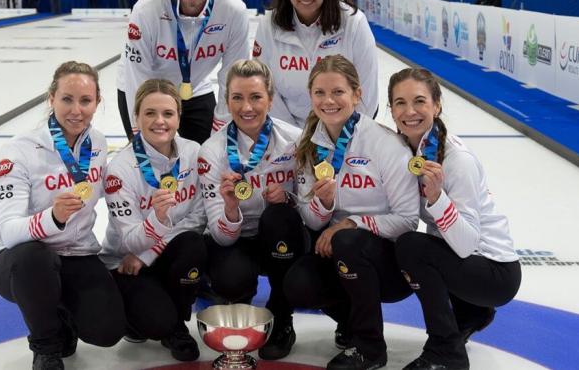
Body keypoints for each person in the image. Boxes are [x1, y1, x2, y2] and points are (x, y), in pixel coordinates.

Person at [0, 61, 127, 370]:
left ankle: (58, 311)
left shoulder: (99, 144)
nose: (76, 110)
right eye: (67, 99)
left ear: (97, 102)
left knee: (108, 331)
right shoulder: (19, 149)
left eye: (85, 101)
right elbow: (8, 231)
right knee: (34, 259)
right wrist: (54, 217)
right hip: (23, 260)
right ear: (51, 98)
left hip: (77, 254)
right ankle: (45, 347)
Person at [283, 55, 419, 370]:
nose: (328, 101)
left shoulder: (384, 143)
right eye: (319, 93)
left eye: (338, 92)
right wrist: (324, 204)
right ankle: (351, 323)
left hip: (389, 262)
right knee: (297, 284)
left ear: (357, 95)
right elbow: (314, 220)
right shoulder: (310, 145)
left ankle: (370, 347)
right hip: (339, 251)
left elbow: (407, 220)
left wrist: (350, 223)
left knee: (347, 240)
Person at [388, 68, 521, 370]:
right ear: (390, 109)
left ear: (436, 105)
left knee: (412, 247)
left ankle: (446, 351)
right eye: (400, 103)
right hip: (466, 264)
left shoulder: (457, 160)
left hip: (494, 270)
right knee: (408, 244)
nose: (410, 111)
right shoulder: (403, 151)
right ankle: (470, 313)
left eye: (419, 101)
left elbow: (465, 244)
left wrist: (437, 199)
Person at [198, 59, 305, 361]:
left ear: (271, 99)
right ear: (226, 100)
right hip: (237, 240)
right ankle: (238, 303)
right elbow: (221, 238)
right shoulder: (212, 151)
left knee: (281, 217)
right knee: (231, 278)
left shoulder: (295, 142)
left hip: (280, 237)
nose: (247, 107)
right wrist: (231, 208)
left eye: (256, 97)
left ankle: (282, 317)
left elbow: (310, 208)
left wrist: (289, 200)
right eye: (237, 97)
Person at [100, 79, 207, 362]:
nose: (160, 121)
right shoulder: (120, 169)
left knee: (194, 244)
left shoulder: (193, 152)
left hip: (154, 255)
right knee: (153, 323)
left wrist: (153, 250)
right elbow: (131, 240)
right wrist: (157, 220)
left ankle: (177, 324)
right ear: (136, 117)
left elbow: (199, 216)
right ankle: (143, 317)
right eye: (150, 113)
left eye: (168, 114)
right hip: (126, 264)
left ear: (178, 118)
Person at [117, 0, 249, 145]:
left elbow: (232, 78)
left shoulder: (234, 11)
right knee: (152, 156)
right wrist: (140, 132)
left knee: (209, 154)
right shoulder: (146, 10)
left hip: (195, 88)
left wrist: (221, 130)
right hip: (145, 88)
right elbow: (137, 77)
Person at [252, 0, 379, 128]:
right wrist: (292, 138)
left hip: (344, 132)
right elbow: (263, 87)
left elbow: (368, 93)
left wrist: (343, 139)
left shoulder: (353, 22)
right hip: (288, 131)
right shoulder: (269, 24)